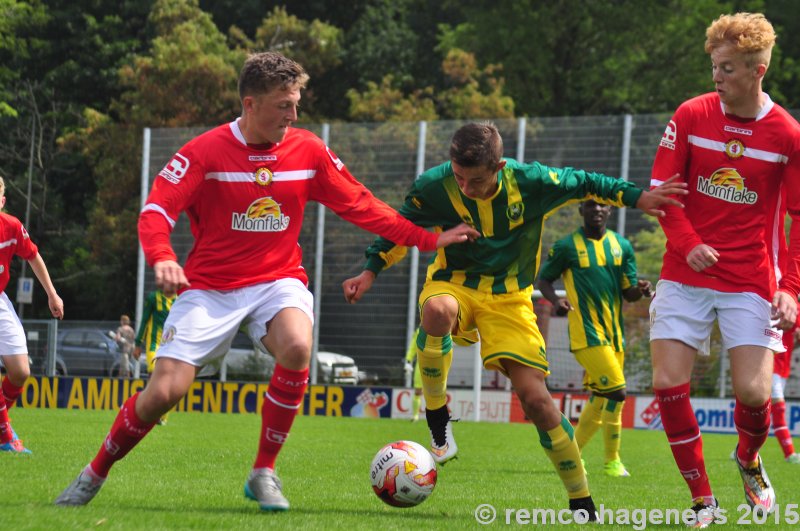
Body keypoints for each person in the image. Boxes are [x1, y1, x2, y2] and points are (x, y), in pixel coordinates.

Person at [54, 51, 478, 511]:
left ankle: (264, 472)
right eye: (284, 105)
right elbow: (157, 210)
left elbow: (361, 204)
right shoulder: (203, 152)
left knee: (297, 346)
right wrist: (162, 257)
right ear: (250, 103)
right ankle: (93, 474)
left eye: (296, 104)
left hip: (277, 280)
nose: (293, 115)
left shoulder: (308, 151)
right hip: (210, 288)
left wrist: (427, 239)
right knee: (163, 393)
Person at [343, 121, 686, 516]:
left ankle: (581, 500)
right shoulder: (434, 186)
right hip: (454, 284)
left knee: (538, 402)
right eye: (459, 178)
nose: (466, 188)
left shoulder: (532, 181)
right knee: (437, 310)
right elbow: (398, 229)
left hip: (510, 300)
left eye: (476, 180)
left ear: (500, 166)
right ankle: (438, 416)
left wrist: (639, 197)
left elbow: (588, 182)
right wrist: (370, 271)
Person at [648, 12, 800, 522]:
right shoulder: (691, 114)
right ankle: (701, 499)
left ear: (758, 71)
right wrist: (687, 242)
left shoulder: (787, 135)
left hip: (750, 278)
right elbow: (664, 193)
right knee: (669, 386)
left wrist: (792, 288)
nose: (717, 77)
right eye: (715, 66)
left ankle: (748, 457)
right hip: (684, 272)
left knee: (755, 394)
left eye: (728, 68)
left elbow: (798, 219)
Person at [538, 200, 652, 478]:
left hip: (615, 335)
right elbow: (544, 280)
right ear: (582, 211)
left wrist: (641, 289)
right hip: (586, 333)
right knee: (618, 392)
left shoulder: (622, 246)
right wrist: (556, 302)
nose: (597, 210)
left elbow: (628, 292)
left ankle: (571, 453)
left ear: (610, 211)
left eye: (602, 206)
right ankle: (612, 461)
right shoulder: (567, 247)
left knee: (602, 397)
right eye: (591, 206)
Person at [0, 175, 64, 454]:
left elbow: (33, 256)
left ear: (1, 201)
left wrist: (51, 293)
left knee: (21, 371)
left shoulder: (11, 226)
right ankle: (4, 436)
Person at [132, 288, 176, 424]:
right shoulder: (153, 297)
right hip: (154, 346)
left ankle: (162, 416)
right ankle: (150, 412)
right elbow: (145, 320)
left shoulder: (179, 299)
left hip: (171, 346)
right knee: (155, 374)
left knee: (169, 380)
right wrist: (138, 343)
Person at [769, 324, 800, 463]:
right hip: (770, 364)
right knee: (779, 408)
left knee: (763, 411)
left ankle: (742, 449)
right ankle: (790, 454)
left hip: (783, 367)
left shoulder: (795, 307)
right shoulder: (794, 308)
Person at [404, 327, 423, 422]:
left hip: (436, 364)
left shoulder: (440, 329)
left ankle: (438, 417)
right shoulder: (420, 331)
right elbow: (413, 347)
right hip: (421, 364)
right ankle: (415, 415)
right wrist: (408, 361)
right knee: (418, 390)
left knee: (436, 392)